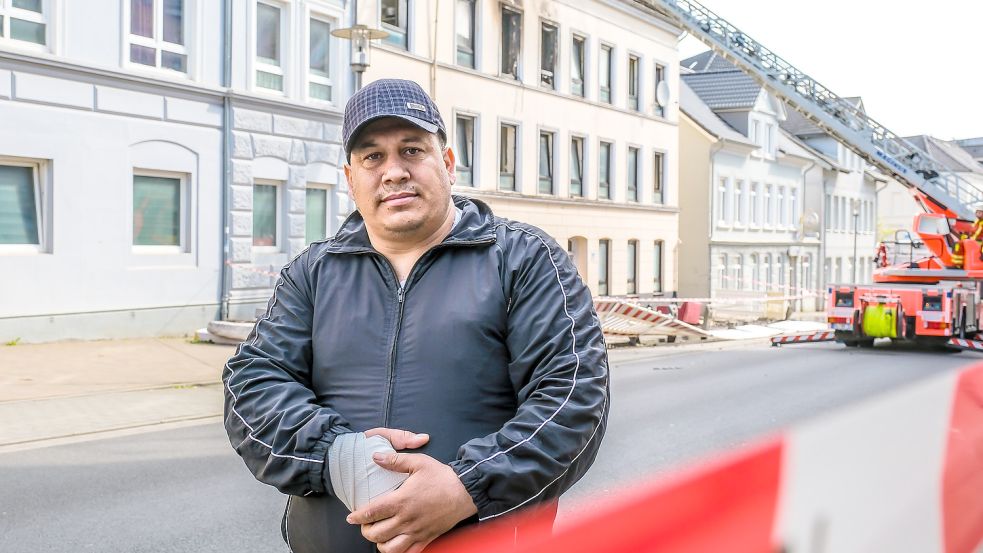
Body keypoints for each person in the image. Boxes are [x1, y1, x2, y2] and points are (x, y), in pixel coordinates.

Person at [223, 78, 610, 553]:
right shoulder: (312, 273)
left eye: (412, 150)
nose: (394, 172)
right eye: (372, 157)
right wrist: (337, 454)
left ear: (446, 164)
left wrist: (466, 487)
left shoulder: (523, 260)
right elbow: (252, 384)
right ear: (351, 180)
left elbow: (573, 399)